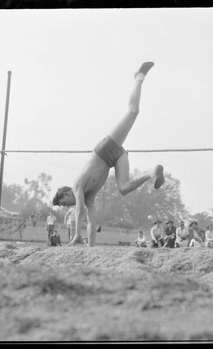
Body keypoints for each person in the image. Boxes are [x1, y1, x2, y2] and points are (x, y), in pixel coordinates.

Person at [52, 62, 165, 247]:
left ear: (65, 193)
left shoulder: (77, 185)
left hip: (105, 150)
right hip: (116, 158)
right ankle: (151, 172)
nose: (68, 206)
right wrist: (91, 246)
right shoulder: (89, 195)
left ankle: (139, 77)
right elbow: (91, 219)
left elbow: (80, 211)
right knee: (124, 188)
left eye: (65, 203)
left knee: (132, 112)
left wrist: (75, 237)